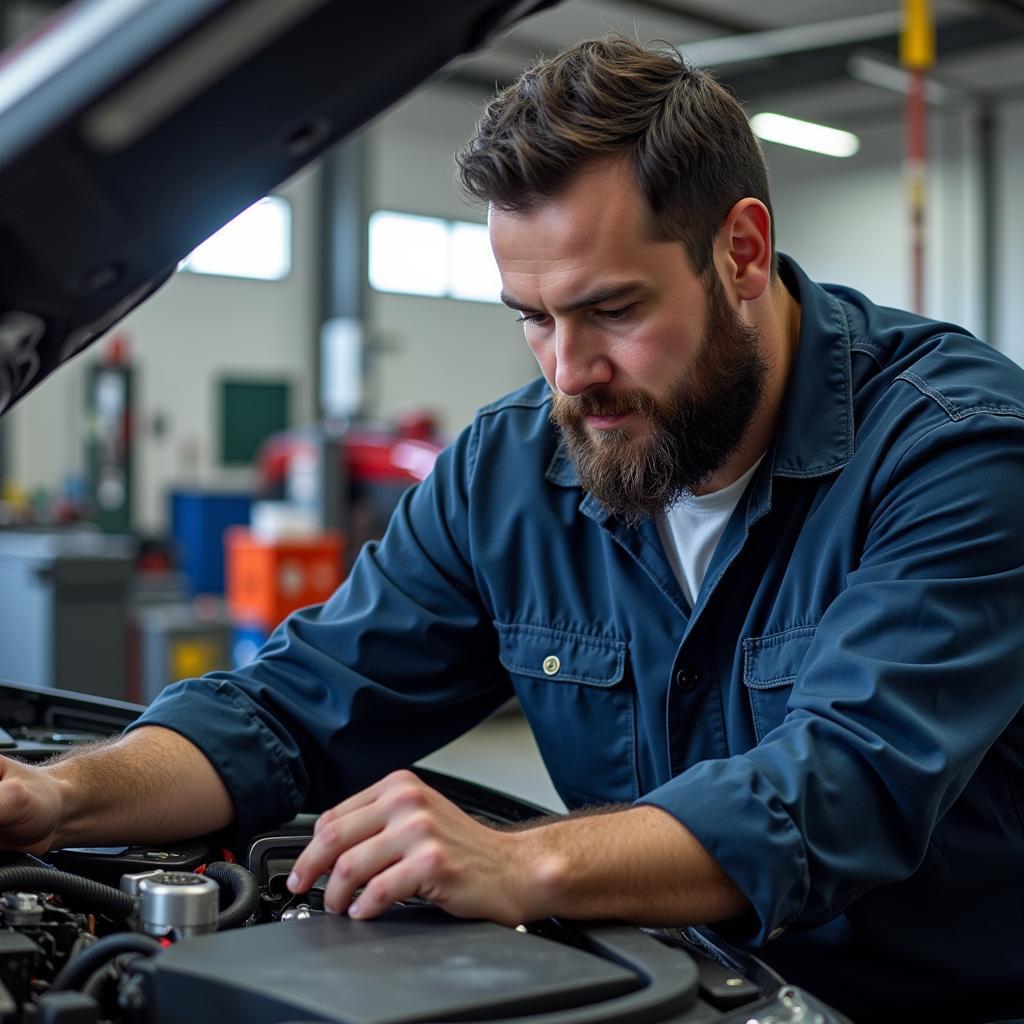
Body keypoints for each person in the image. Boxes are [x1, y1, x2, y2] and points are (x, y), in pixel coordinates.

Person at [1, 36, 1023, 1023]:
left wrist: (524, 858)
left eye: (610, 309)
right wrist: (58, 797)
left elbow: (844, 784)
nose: (568, 373)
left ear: (741, 253)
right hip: (663, 989)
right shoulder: (511, 468)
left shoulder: (955, 448)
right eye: (531, 317)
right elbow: (290, 710)